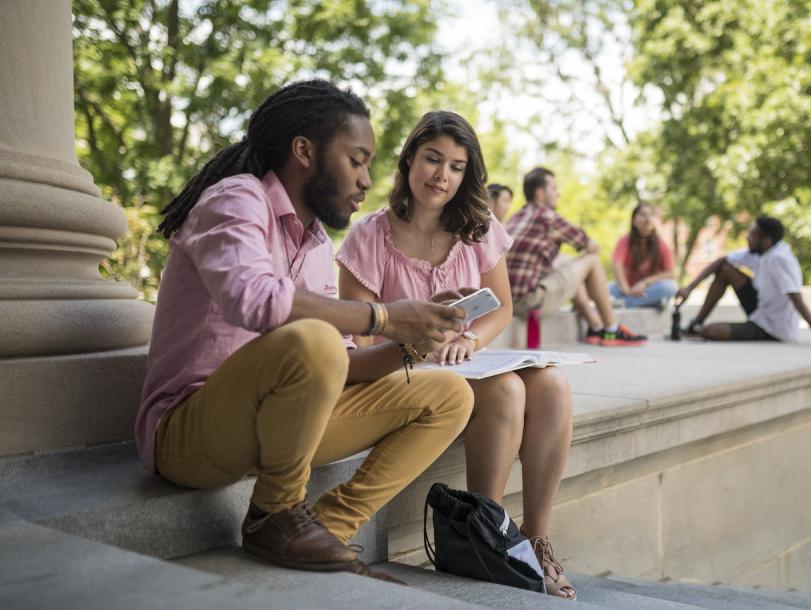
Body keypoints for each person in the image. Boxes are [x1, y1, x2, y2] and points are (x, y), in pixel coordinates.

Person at [136, 80, 476, 582]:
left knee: (450, 395)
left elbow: (340, 363)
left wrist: (413, 338)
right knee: (312, 335)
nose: (366, 179)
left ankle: (329, 528)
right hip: (191, 432)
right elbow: (254, 299)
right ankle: (274, 515)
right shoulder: (236, 200)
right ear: (305, 152)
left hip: (279, 424)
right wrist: (385, 317)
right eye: (356, 160)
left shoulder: (317, 243)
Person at [336, 111, 578, 600]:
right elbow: (359, 337)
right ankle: (483, 537)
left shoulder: (479, 229)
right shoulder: (369, 236)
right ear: (408, 161)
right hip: (402, 367)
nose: (441, 175)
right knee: (508, 389)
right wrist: (416, 331)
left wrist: (469, 340)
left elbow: (501, 307)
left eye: (456, 166)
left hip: (466, 361)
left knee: (551, 383)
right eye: (431, 159)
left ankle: (536, 536)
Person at [506, 167, 647, 346]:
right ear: (540, 193)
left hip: (508, 301)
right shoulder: (548, 217)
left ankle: (595, 327)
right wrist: (565, 240)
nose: (559, 193)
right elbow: (591, 246)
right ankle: (612, 329)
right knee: (591, 261)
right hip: (529, 303)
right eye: (554, 189)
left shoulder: (516, 217)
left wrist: (556, 242)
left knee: (567, 262)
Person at [674, 216, 811, 347]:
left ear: (766, 241)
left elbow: (796, 299)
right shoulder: (760, 253)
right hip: (760, 309)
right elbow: (721, 261)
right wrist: (689, 288)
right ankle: (696, 323)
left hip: (772, 327)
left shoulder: (780, 260)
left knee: (710, 331)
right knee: (726, 270)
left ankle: (701, 328)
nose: (747, 238)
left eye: (752, 235)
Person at [609, 203, 677, 309]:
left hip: (648, 289)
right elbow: (616, 266)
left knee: (670, 287)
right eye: (642, 214)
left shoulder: (661, 244)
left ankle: (625, 303)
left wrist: (644, 283)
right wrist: (627, 290)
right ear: (633, 221)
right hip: (626, 288)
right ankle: (648, 303)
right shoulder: (624, 241)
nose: (647, 218)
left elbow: (670, 273)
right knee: (604, 288)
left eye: (651, 215)